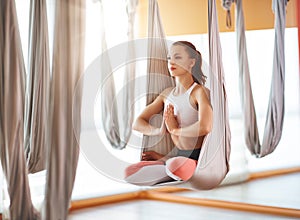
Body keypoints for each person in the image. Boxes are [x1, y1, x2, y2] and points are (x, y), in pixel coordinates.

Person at [125, 41, 213, 186]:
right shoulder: (166, 94)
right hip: (178, 158)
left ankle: (173, 167)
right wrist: (158, 130)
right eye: (169, 58)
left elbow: (206, 126)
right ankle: (168, 164)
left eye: (177, 57)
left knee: (175, 166)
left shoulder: (199, 92)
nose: (171, 62)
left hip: (198, 158)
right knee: (130, 173)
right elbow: (137, 123)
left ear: (192, 62)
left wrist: (175, 129)